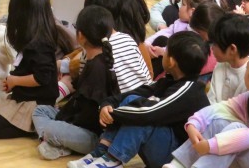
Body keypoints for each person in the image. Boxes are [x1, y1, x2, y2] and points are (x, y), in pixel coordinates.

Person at [69, 31, 210, 168]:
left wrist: (114, 114)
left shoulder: (190, 90)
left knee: (144, 115)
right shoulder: (169, 81)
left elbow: (150, 113)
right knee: (133, 100)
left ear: (171, 61)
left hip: (177, 159)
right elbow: (135, 93)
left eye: (166, 51)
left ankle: (113, 159)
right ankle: (101, 151)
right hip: (168, 148)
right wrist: (108, 104)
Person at [33, 5, 119, 161]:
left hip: (92, 136)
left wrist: (64, 120)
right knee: (40, 110)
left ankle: (54, 141)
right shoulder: (93, 60)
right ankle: (56, 143)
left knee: (52, 128)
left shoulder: (97, 67)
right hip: (79, 124)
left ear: (80, 36)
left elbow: (89, 117)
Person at [0, 0, 59, 139]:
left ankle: (34, 125)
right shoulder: (31, 37)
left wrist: (15, 81)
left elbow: (42, 77)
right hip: (23, 97)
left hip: (36, 102)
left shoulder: (41, 43)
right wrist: (13, 81)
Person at [167, 49, 249, 168]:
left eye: (247, 68)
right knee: (219, 123)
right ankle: (177, 165)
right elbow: (221, 108)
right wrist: (194, 123)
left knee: (236, 130)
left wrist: (210, 145)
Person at [207, 13, 249, 103]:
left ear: (232, 49)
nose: (212, 48)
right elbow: (211, 99)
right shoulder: (220, 65)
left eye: (215, 44)